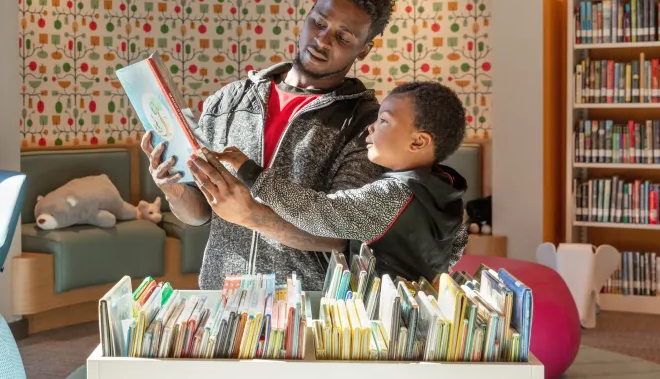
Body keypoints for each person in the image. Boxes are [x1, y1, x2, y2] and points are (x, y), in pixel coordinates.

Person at [140, 0, 394, 290]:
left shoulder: (365, 125)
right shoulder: (228, 101)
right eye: (318, 22)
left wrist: (251, 216)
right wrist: (173, 189)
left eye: (343, 37)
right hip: (223, 303)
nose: (322, 39)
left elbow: (340, 235)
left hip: (305, 313)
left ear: (365, 49)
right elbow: (200, 213)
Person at [189, 81, 470, 283]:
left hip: (384, 317)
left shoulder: (393, 196)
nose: (371, 127)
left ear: (418, 141)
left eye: (383, 121)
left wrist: (251, 172)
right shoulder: (452, 195)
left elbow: (317, 212)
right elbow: (452, 254)